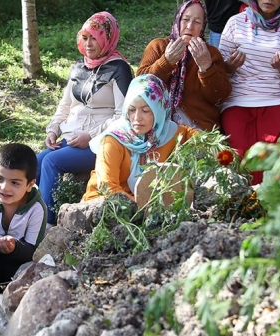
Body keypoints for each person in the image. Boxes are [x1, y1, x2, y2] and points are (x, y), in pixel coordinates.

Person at [36, 11, 133, 224]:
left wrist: (89, 136)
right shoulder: (79, 67)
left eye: (95, 38)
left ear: (107, 38)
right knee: (35, 161)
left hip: (99, 143)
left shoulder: (119, 69)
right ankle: (23, 218)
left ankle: (46, 225)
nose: (88, 44)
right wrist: (53, 129)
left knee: (50, 162)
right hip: (70, 138)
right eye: (85, 37)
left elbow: (123, 115)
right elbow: (64, 106)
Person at [82, 74, 202, 201]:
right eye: (132, 110)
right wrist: (142, 207)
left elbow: (204, 141)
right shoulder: (113, 140)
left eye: (145, 111)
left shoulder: (168, 133)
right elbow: (107, 187)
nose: (137, 118)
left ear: (160, 111)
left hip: (149, 206)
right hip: (107, 205)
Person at [219, 0, 280, 184]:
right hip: (238, 100)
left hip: (278, 100)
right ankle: (245, 205)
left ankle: (274, 204)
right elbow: (219, 70)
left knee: (279, 156)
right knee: (241, 157)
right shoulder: (235, 23)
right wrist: (231, 66)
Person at [0, 143, 47, 303]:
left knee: (34, 274)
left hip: (20, 261)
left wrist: (13, 247)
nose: (5, 188)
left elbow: (32, 250)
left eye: (15, 183)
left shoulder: (37, 208)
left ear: (29, 185)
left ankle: (18, 306)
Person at [137, 0, 232, 131]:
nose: (190, 26)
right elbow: (140, 86)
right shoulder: (159, 46)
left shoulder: (211, 54)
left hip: (198, 130)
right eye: (185, 19)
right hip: (158, 127)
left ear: (203, 26)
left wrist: (206, 67)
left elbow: (219, 97)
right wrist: (166, 62)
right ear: (177, 21)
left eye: (197, 22)